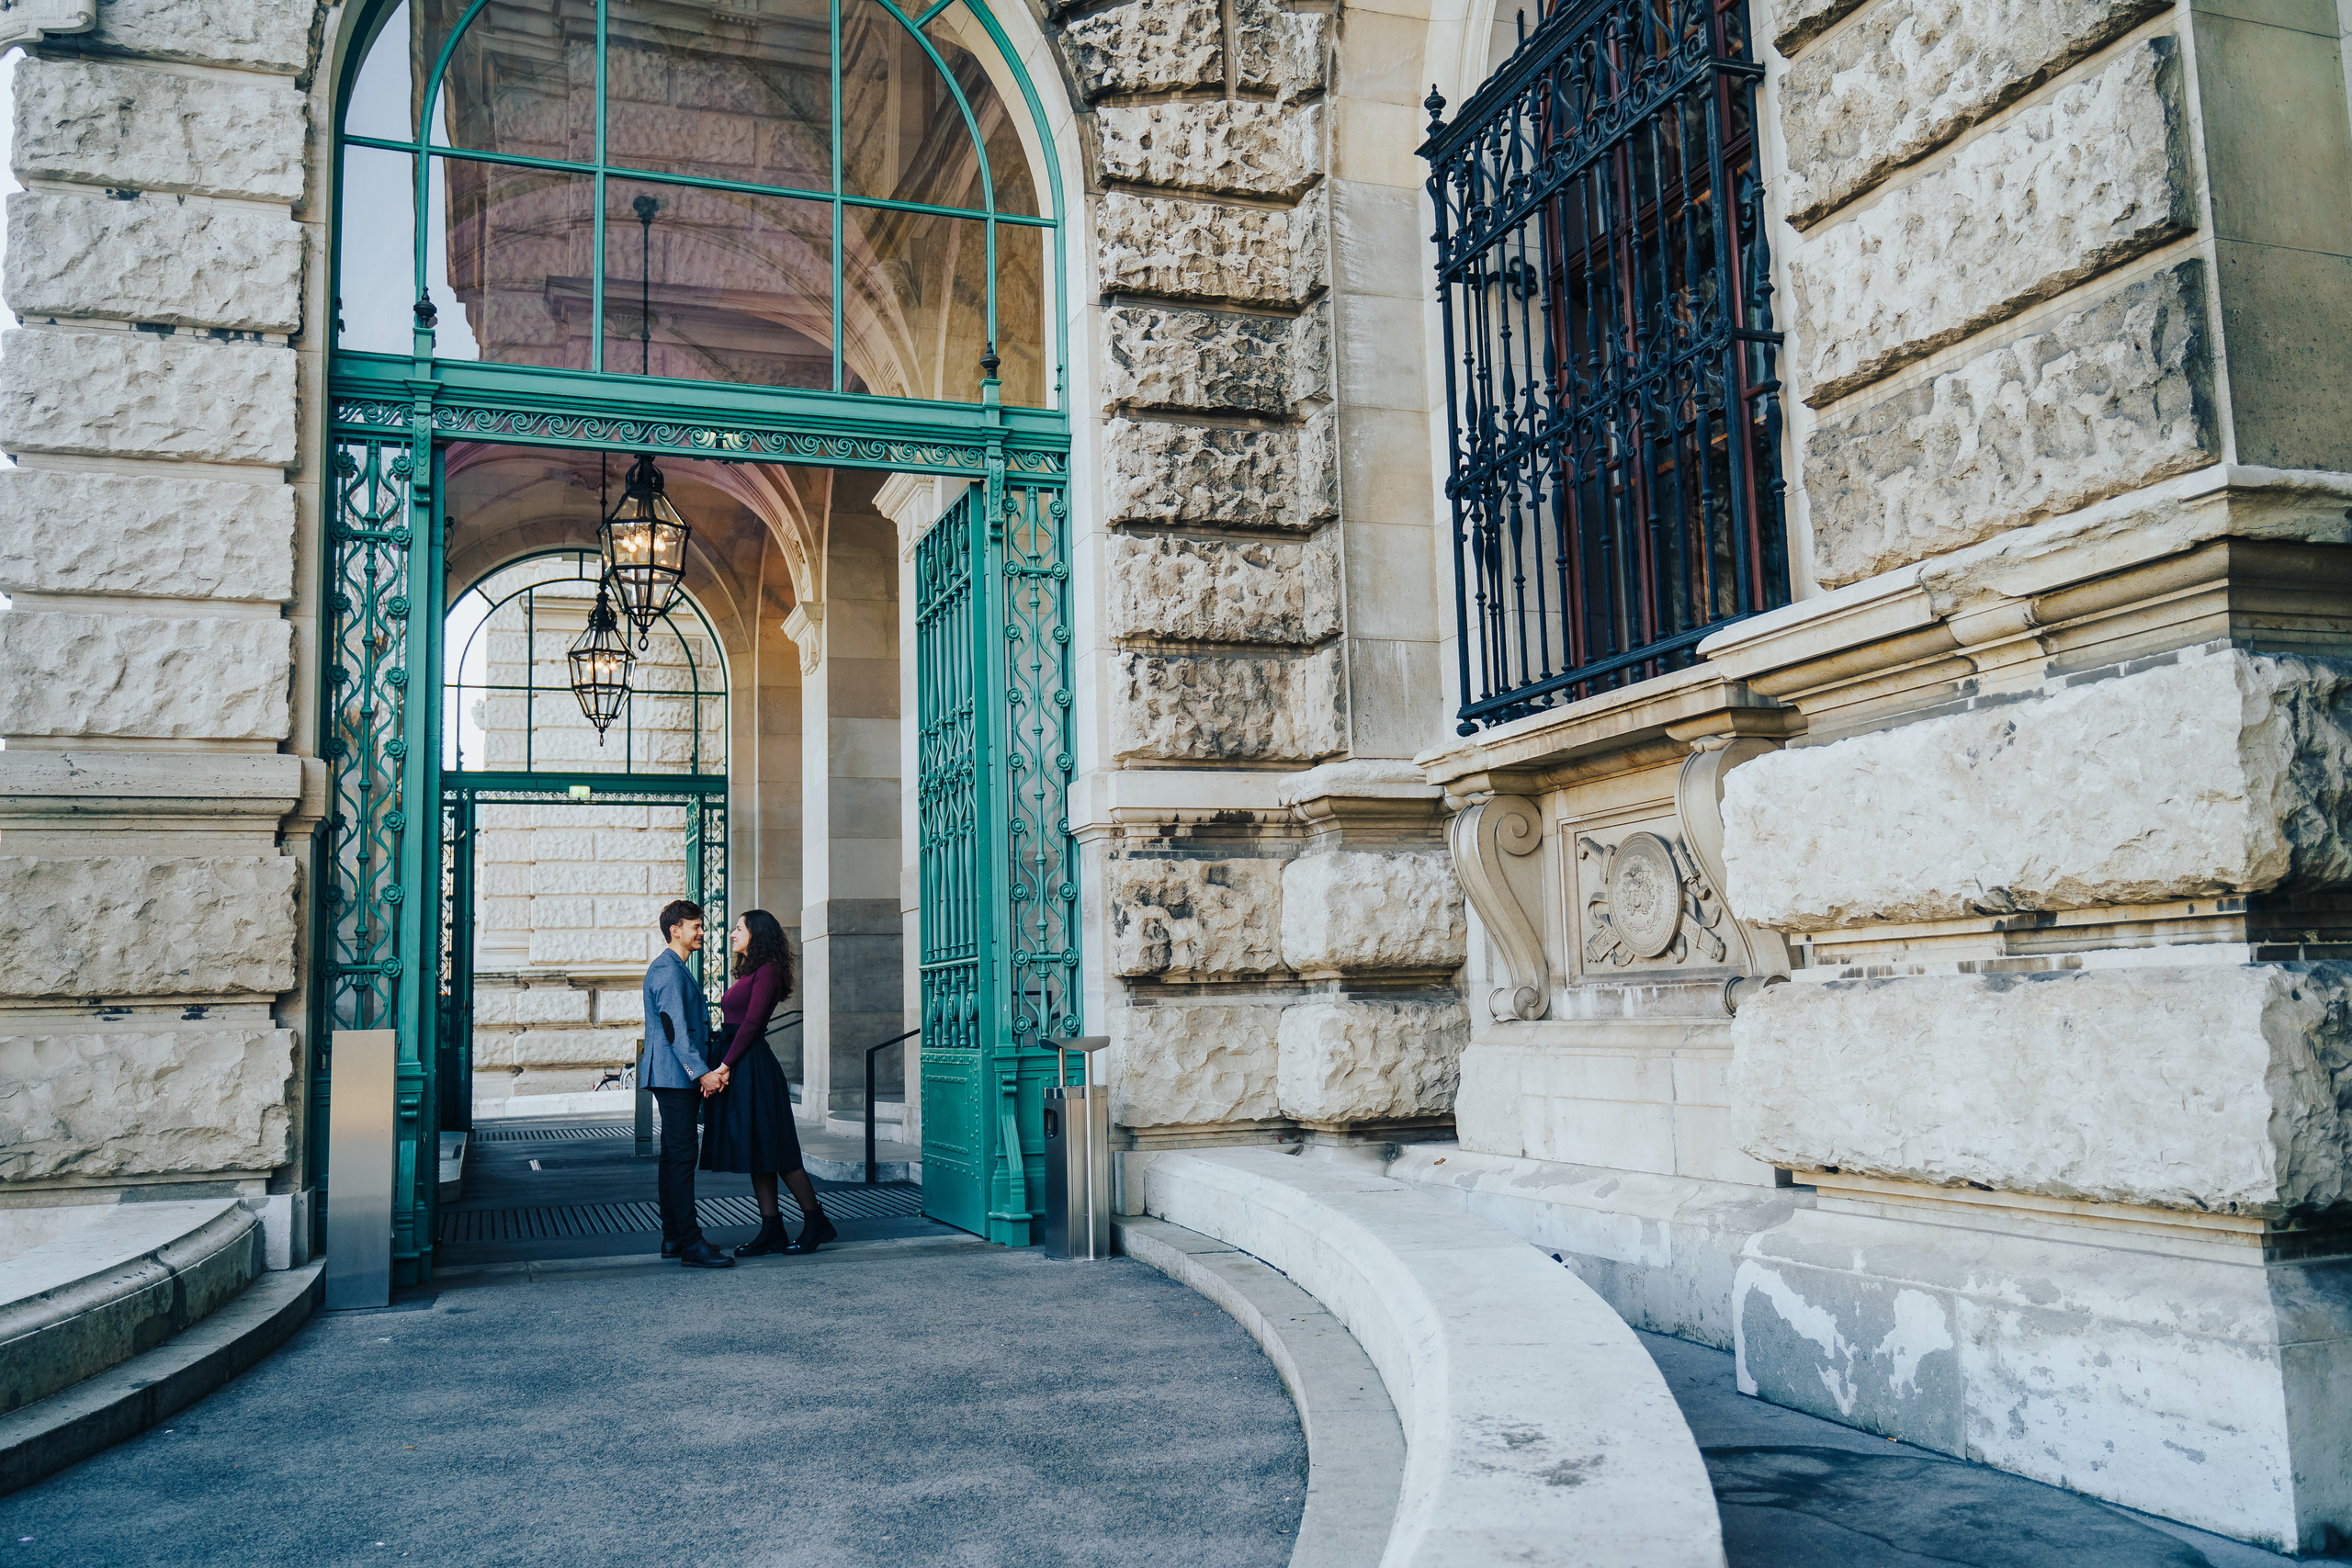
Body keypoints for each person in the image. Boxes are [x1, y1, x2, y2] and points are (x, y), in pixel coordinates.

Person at [699, 910, 837, 1257]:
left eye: (739, 928)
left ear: (756, 933)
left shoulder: (769, 971)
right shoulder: (750, 971)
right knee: (757, 1150)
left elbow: (752, 1024)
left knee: (778, 1148)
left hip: (752, 1066)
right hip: (742, 1062)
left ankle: (816, 1221)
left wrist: (725, 1065)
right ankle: (771, 1227)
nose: (732, 933)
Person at [641, 898, 735, 1269]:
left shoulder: (674, 968)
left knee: (672, 1157)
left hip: (670, 1074)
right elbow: (674, 1029)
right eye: (695, 926)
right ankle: (691, 1243)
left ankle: (673, 1237)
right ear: (674, 930)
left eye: (701, 925)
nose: (702, 932)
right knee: (681, 1157)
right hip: (675, 1075)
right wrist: (702, 1072)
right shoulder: (667, 970)